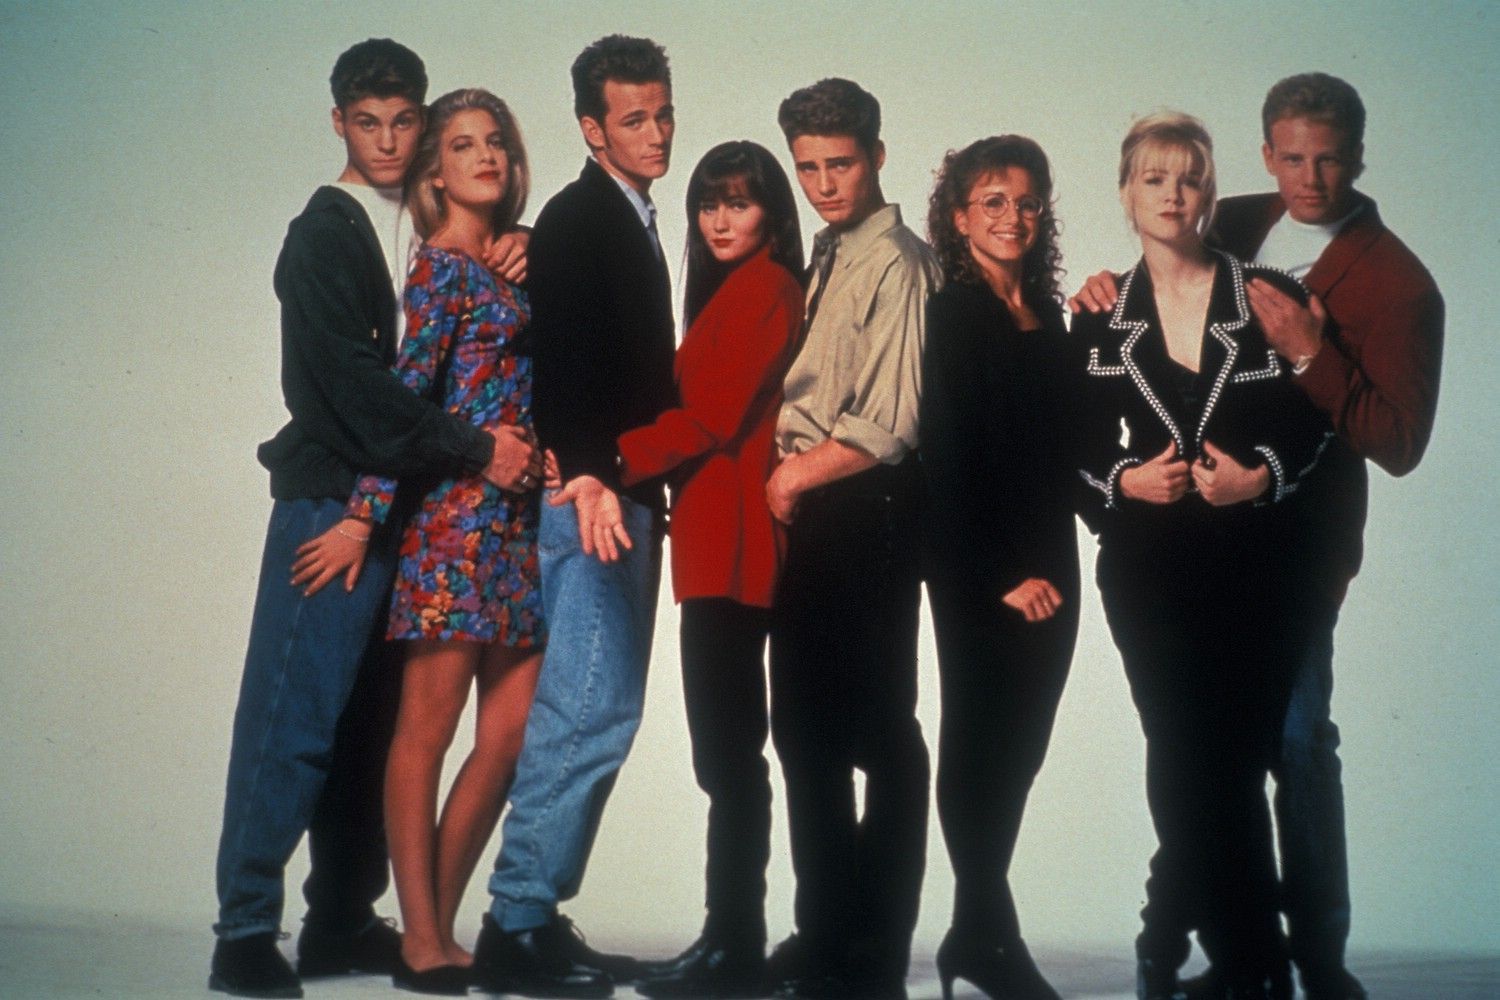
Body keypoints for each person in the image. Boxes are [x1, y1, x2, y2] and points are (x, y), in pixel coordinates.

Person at [1072, 75, 1443, 1000]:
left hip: (1295, 551)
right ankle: (1213, 947)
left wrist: (1306, 368)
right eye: (1292, 157)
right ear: (1267, 156)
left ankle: (1309, 959)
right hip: (1169, 554)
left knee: (1288, 743)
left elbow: (1394, 441)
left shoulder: (1397, 284)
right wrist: (1102, 294)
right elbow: (1157, 265)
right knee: (1200, 752)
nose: (1309, 178)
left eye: (1329, 160)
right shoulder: (1230, 221)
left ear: (1358, 158)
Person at [211, 41, 535, 1000]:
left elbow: (462, 344)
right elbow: (347, 389)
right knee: (293, 717)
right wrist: (470, 451)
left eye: (403, 122)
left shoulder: (429, 224)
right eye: (368, 123)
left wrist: (518, 245)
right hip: (336, 501)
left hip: (412, 507)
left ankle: (342, 920)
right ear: (339, 124)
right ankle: (243, 931)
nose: (388, 141)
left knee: (373, 724)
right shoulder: (325, 232)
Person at [1072, 112, 1333, 1000]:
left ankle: (1175, 939)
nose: (1173, 194)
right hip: (1148, 571)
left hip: (1262, 567)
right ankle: (1254, 962)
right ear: (1126, 193)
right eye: (1154, 178)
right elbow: (1067, 445)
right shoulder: (1098, 317)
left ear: (1210, 193)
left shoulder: (1266, 295)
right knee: (1185, 753)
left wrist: (1260, 478)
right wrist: (1123, 480)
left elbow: (1316, 418)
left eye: (1189, 178)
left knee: (1229, 762)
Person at [295, 88, 544, 996]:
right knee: (425, 733)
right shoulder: (439, 270)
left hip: (519, 527)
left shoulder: (514, 262)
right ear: (434, 172)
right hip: (453, 523)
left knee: (509, 735)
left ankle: (428, 921)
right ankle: (424, 939)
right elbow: (407, 399)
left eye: (496, 141)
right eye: (464, 145)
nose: (485, 156)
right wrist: (363, 516)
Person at [470, 35, 677, 1000]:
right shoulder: (579, 217)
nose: (656, 132)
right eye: (634, 119)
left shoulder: (626, 215)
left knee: (600, 709)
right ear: (593, 130)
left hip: (621, 492)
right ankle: (515, 925)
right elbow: (561, 359)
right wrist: (589, 475)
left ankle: (533, 916)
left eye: (663, 113)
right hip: (593, 499)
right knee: (587, 709)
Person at [764, 78, 941, 1000]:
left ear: (876, 155)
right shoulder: (829, 252)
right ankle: (824, 937)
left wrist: (793, 476)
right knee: (805, 734)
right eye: (808, 169)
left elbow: (891, 424)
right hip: (818, 514)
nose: (825, 184)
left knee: (877, 732)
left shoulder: (897, 263)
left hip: (864, 509)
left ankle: (874, 950)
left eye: (840, 164)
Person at [616, 141, 805, 1000]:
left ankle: (734, 945)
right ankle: (728, 938)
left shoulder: (767, 287)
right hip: (711, 543)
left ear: (770, 213)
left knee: (729, 758)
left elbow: (714, 418)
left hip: (734, 548)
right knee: (724, 757)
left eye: (740, 202)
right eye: (709, 203)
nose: (722, 220)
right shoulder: (732, 290)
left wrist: (606, 458)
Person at [919, 135, 1080, 1000]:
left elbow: (1066, 444)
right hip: (981, 566)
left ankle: (974, 934)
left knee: (1020, 751)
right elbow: (948, 462)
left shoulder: (1048, 312)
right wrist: (1000, 576)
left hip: (1055, 556)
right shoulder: (953, 312)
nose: (1011, 217)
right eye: (992, 202)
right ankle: (990, 937)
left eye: (1025, 202)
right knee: (981, 744)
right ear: (959, 217)